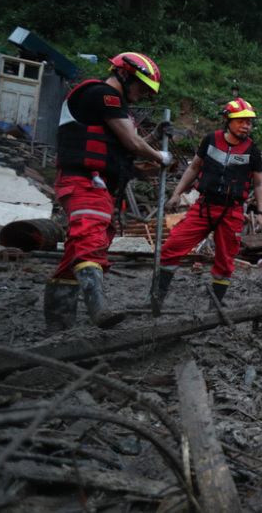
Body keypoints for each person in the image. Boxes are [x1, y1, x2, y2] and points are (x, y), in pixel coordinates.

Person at [44, 52, 172, 332]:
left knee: (78, 250)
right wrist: (160, 157)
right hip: (85, 182)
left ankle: (58, 324)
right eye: (141, 87)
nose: (141, 95)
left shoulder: (111, 106)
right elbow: (132, 142)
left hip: (97, 184)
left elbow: (126, 149)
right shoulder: (103, 95)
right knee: (89, 238)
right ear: (124, 74)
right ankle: (97, 306)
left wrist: (151, 142)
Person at [150, 98, 262, 313]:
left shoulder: (253, 150)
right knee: (172, 247)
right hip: (204, 207)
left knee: (225, 260)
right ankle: (158, 297)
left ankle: (215, 306)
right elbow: (194, 168)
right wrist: (177, 194)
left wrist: (261, 212)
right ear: (227, 120)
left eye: (249, 122)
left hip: (231, 212)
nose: (246, 126)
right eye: (241, 121)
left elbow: (258, 184)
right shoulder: (210, 140)